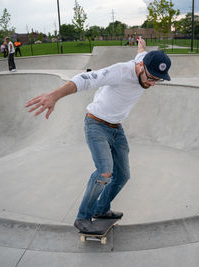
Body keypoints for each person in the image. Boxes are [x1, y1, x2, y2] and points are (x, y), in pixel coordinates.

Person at [25, 38, 171, 232]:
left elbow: (141, 50)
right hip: (95, 124)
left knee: (123, 176)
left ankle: (101, 209)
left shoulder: (144, 59)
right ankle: (83, 217)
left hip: (117, 129)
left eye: (157, 80)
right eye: (151, 78)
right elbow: (85, 80)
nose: (152, 83)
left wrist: (140, 42)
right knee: (105, 171)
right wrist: (54, 96)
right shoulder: (120, 71)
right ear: (141, 67)